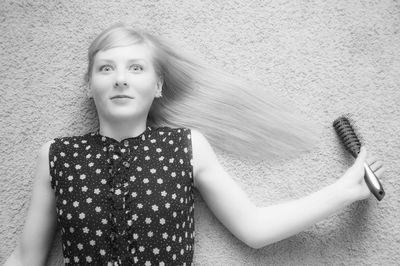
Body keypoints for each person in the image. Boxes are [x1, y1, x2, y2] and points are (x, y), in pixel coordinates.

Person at [5, 24, 384, 266]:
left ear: (157, 87)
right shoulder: (57, 155)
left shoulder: (186, 146)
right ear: (89, 86)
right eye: (106, 68)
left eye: (136, 68)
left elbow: (254, 227)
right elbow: (26, 258)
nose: (120, 79)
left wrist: (343, 191)